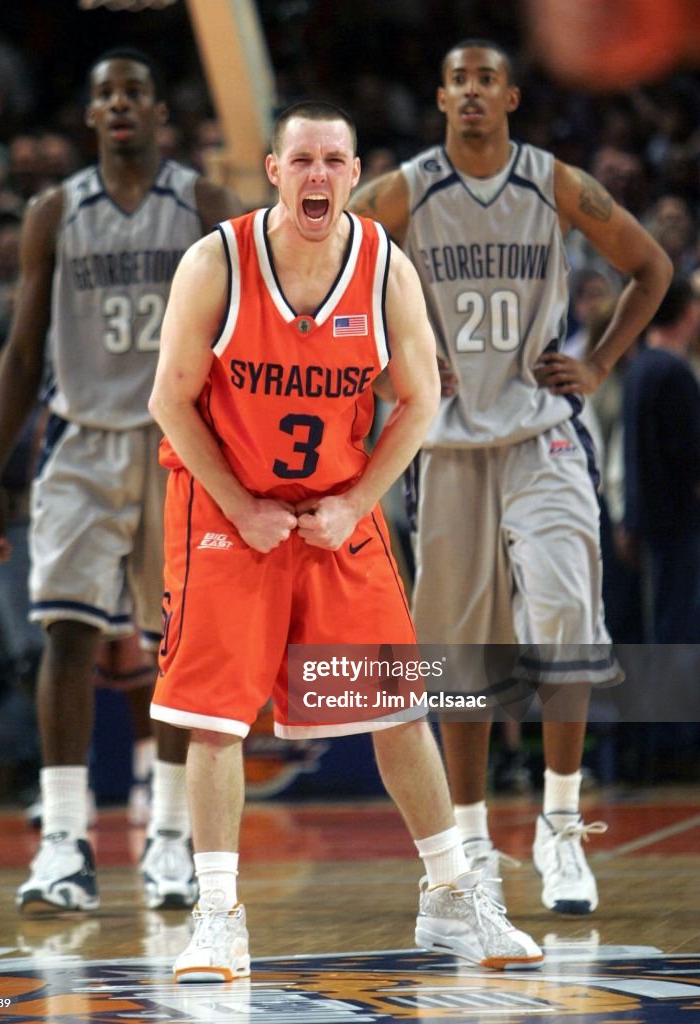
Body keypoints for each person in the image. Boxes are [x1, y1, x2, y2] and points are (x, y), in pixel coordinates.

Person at [148, 100, 544, 982]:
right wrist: (241, 506)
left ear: (353, 173)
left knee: (399, 707)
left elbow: (420, 401)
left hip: (337, 510)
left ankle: (451, 895)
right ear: (274, 169)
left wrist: (359, 499)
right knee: (215, 718)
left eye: (334, 159)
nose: (318, 174)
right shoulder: (215, 261)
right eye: (303, 160)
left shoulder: (382, 267)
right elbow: (171, 399)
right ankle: (218, 917)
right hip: (224, 507)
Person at [350, 39, 672, 915]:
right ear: (442, 98)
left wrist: (600, 362)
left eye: (486, 79)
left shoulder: (555, 182)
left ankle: (561, 830)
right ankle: (475, 843)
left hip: (543, 435)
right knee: (461, 655)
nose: (471, 93)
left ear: (513, 97)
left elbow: (652, 267)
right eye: (456, 79)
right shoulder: (402, 192)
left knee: (566, 613)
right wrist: (388, 368)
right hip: (448, 447)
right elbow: (325, 275)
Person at [0, 47, 243, 915]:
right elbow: (20, 353)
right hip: (81, 446)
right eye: (105, 94)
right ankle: (63, 844)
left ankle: (168, 841)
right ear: (90, 116)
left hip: (179, 448)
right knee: (67, 638)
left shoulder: (202, 204)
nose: (120, 104)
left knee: (178, 651)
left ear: (158, 111)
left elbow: (253, 330)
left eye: (134, 91)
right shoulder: (57, 212)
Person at [619, 276, 700, 643]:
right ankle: (672, 702)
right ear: (689, 310)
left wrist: (631, 519)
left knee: (664, 622)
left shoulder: (639, 366)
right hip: (679, 520)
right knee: (678, 626)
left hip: (649, 518)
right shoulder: (673, 372)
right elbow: (691, 457)